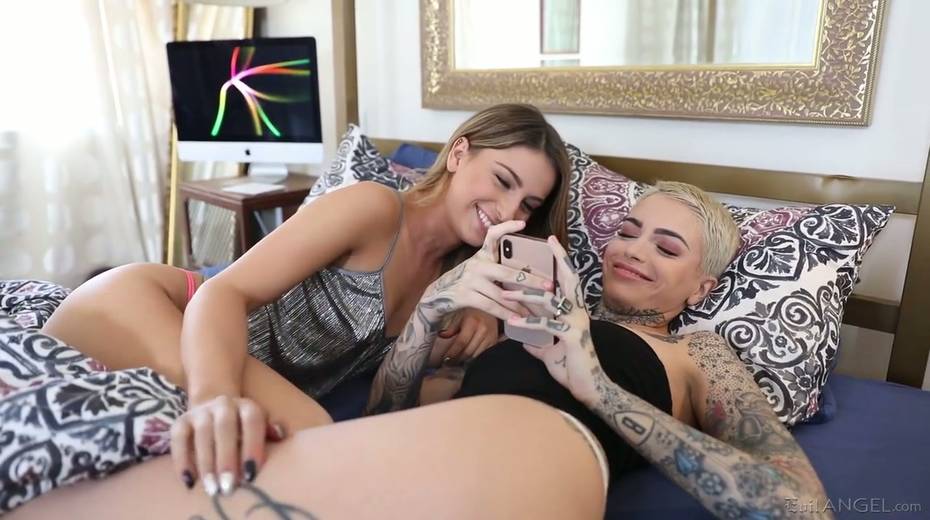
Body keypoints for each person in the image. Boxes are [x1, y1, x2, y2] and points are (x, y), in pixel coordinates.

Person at [17, 182, 831, 519]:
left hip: (540, 455)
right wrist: (433, 314)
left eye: (666, 246)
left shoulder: (700, 353)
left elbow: (799, 504)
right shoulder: (537, 312)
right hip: (425, 457)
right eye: (627, 229)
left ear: (700, 285)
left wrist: (597, 386)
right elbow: (384, 414)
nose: (632, 250)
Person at [40, 103, 571, 494]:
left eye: (527, 204)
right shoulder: (374, 209)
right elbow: (225, 289)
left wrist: (450, 332)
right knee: (317, 439)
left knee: (326, 454)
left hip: (241, 370)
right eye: (502, 181)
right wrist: (215, 398)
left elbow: (384, 410)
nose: (508, 211)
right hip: (155, 309)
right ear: (459, 154)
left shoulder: (457, 287)